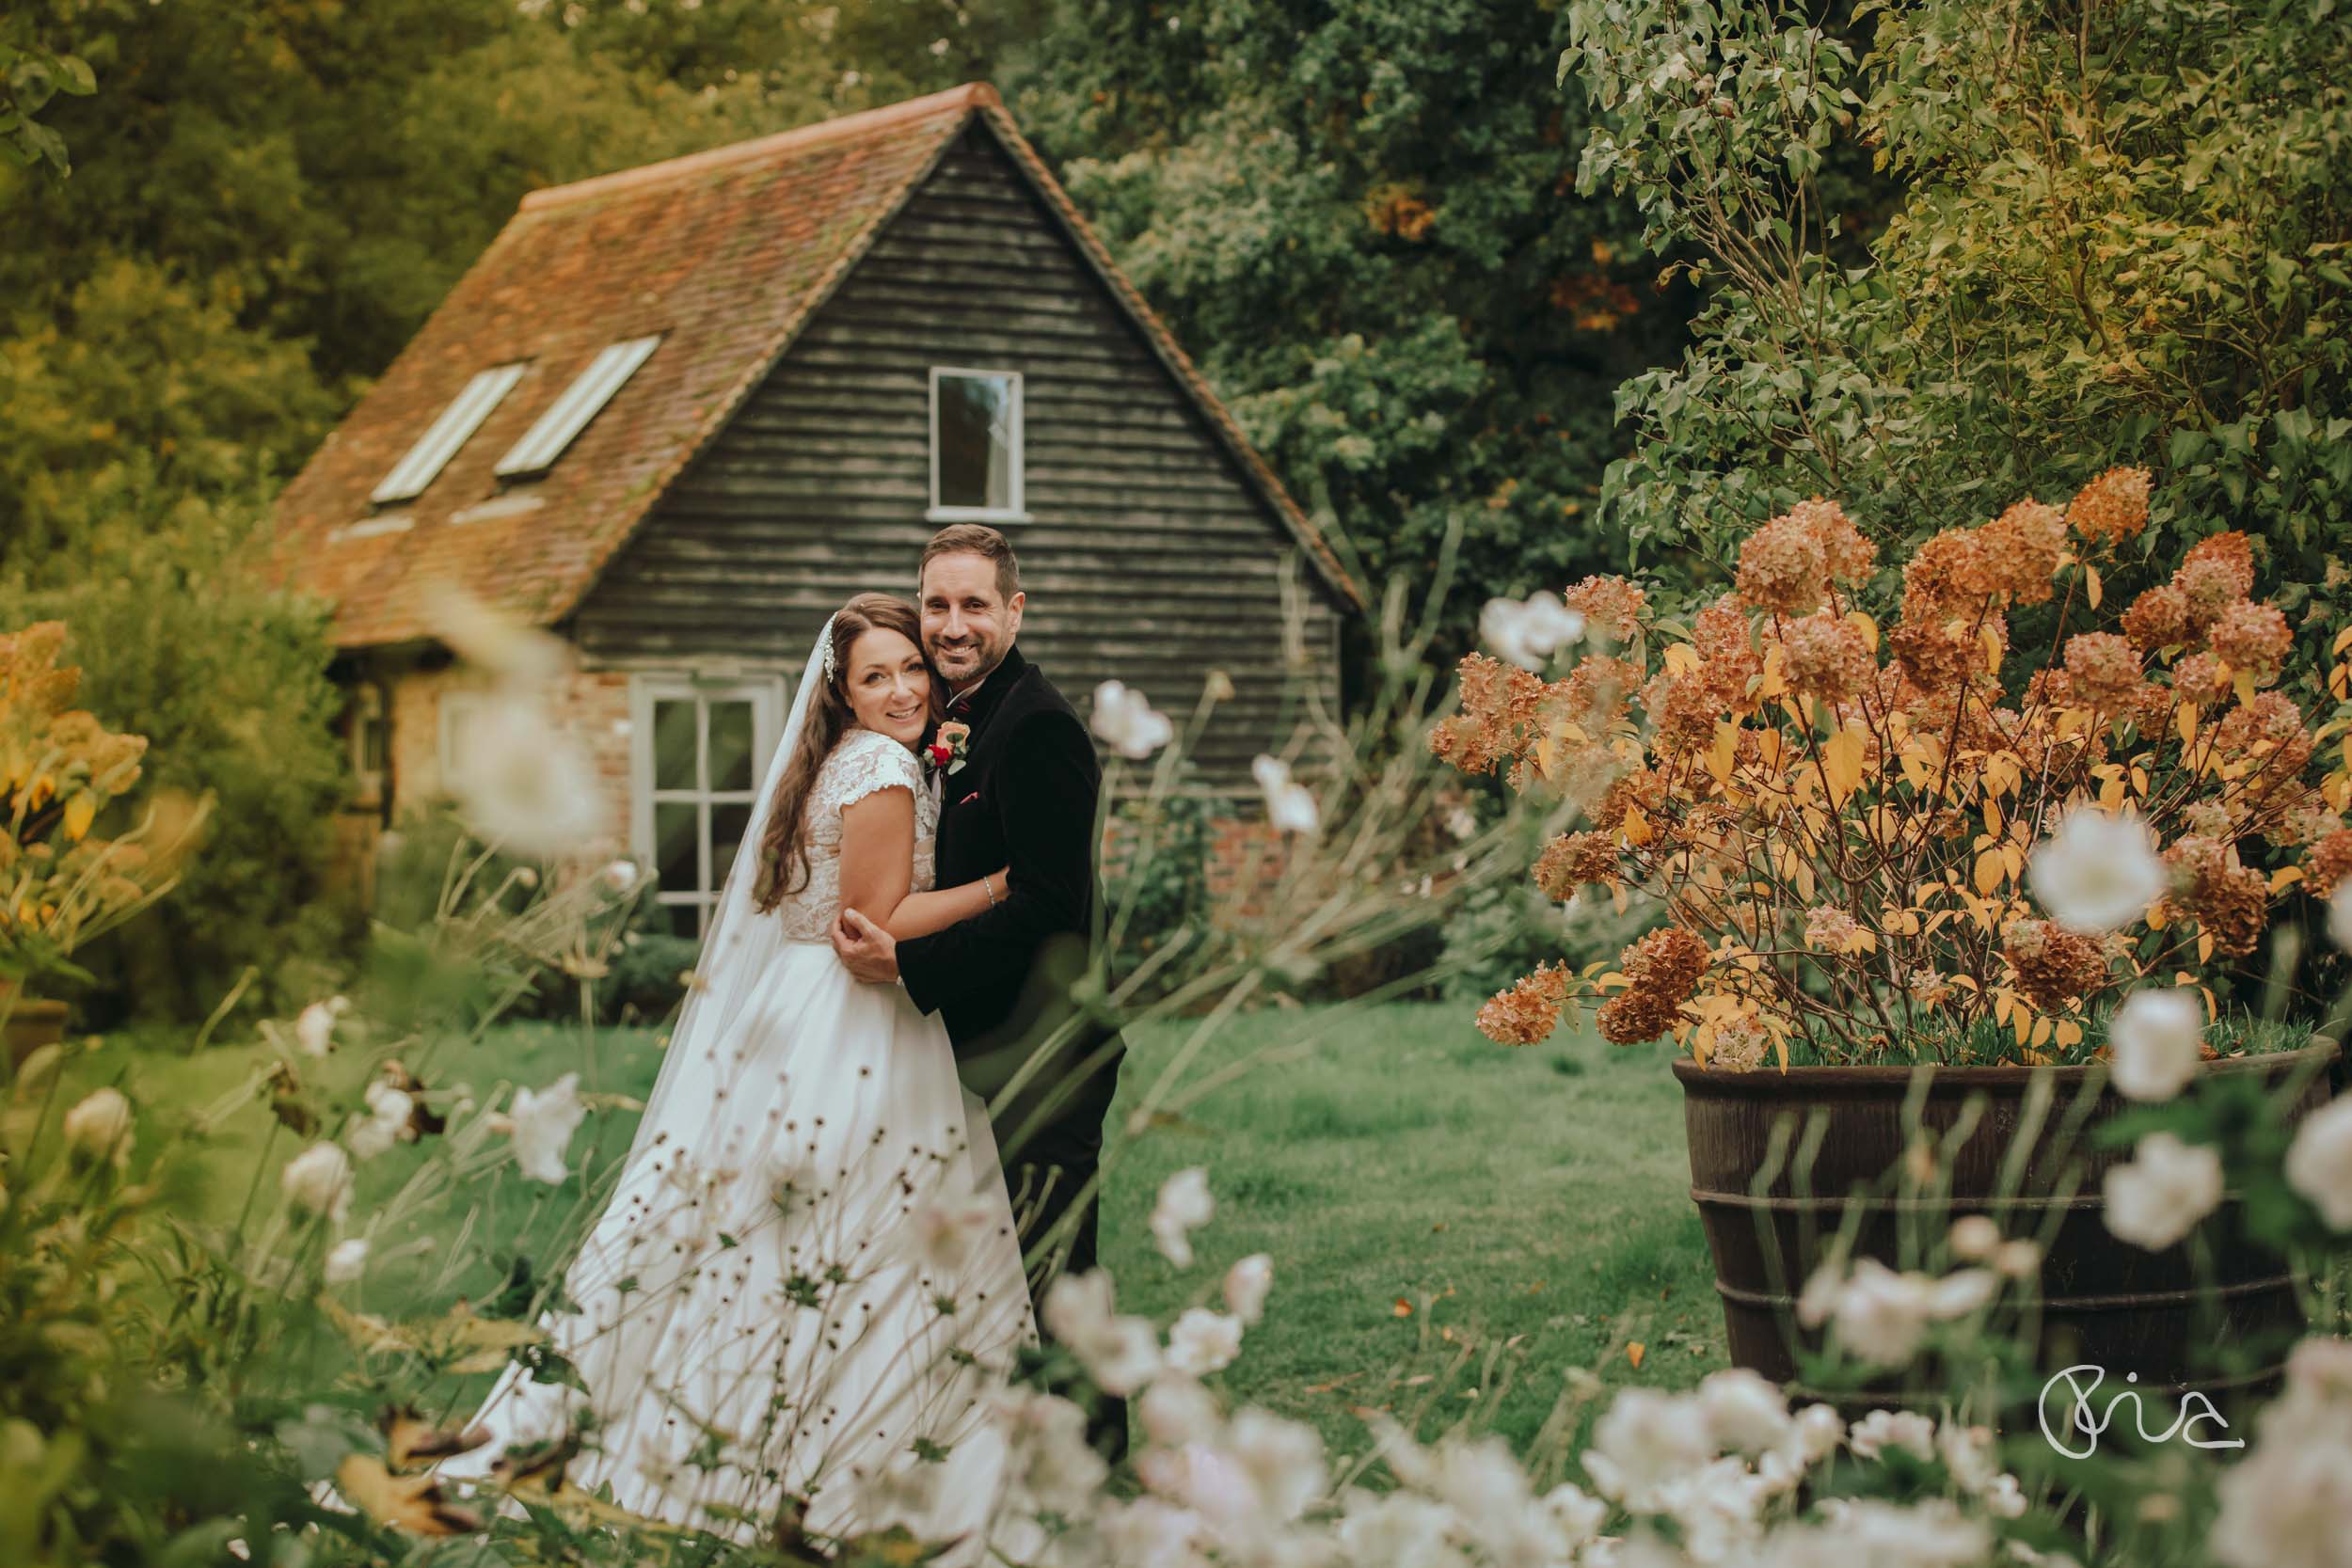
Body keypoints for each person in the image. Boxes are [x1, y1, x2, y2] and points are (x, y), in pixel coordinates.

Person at [442, 594, 1035, 1560]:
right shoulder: (882, 763)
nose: (901, 689)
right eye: (875, 675)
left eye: (911, 668)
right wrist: (1001, 884)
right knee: (868, 1224)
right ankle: (849, 1457)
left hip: (795, 1014)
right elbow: (873, 919)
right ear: (842, 694)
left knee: (760, 1227)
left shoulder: (836, 761)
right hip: (856, 1022)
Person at [832, 523, 1129, 1462]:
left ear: (1014, 609)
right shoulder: (957, 718)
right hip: (977, 1048)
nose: (951, 625)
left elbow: (1050, 903)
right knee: (1004, 1266)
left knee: (1053, 1270)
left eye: (972, 604)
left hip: (1040, 1046)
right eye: (937, 605)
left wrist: (912, 966)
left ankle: (1092, 1458)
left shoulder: (1035, 724)